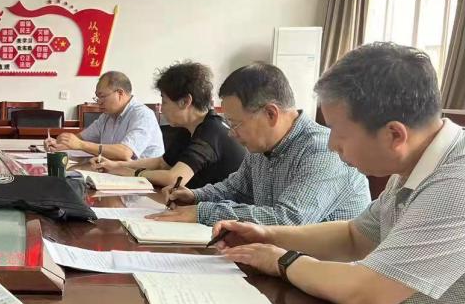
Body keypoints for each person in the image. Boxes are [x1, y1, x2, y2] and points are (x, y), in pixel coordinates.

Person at [217, 43, 465, 304]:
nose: (332, 144)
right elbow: (354, 236)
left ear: (394, 134)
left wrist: (280, 260)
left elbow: (367, 291)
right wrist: (267, 234)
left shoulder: (457, 182)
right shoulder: (415, 164)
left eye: (339, 131)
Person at [153, 62, 370, 225]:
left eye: (235, 123)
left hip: (320, 267)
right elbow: (235, 189)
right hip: (273, 257)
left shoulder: (321, 150)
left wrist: (203, 213)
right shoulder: (260, 146)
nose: (231, 134)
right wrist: (194, 196)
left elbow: (288, 220)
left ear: (270, 114)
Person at [92, 62, 246, 189]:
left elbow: (175, 178)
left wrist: (132, 173)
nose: (162, 109)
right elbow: (162, 163)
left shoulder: (211, 131)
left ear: (185, 101)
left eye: (164, 102)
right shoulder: (188, 128)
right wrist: (116, 165)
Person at [47, 70, 163, 160]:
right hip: (116, 173)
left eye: (102, 96)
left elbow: (125, 153)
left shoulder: (143, 115)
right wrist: (60, 143)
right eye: (97, 97)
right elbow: (80, 138)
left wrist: (81, 145)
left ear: (120, 93)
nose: (99, 102)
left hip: (144, 179)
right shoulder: (106, 116)